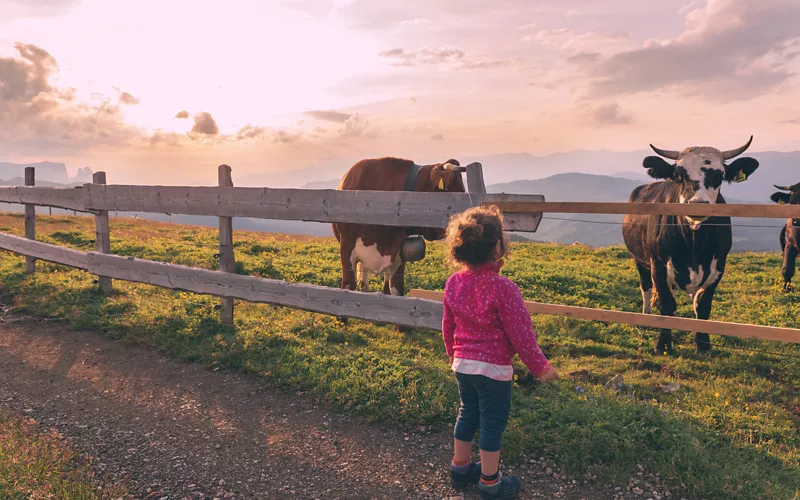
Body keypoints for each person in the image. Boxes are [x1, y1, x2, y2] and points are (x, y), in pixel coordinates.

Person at [442, 205, 558, 499]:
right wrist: (540, 367)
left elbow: (448, 324)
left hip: (463, 364)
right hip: (492, 370)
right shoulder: (504, 288)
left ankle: (460, 468)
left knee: (467, 413)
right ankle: (490, 483)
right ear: (497, 247)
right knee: (492, 423)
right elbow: (522, 336)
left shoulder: (454, 282)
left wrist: (452, 354)